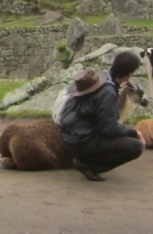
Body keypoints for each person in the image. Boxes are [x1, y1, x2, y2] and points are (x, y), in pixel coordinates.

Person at [59, 51, 145, 182]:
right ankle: (88, 165)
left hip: (71, 135)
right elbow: (109, 129)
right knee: (135, 146)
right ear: (130, 74)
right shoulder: (108, 92)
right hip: (81, 141)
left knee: (122, 134)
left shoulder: (101, 77)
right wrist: (134, 132)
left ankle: (84, 159)